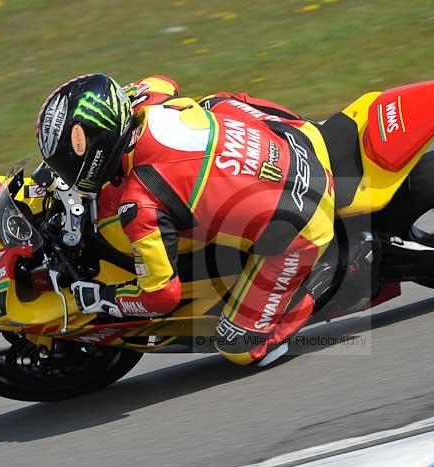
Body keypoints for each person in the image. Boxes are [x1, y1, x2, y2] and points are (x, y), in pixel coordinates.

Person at [36, 73, 334, 366]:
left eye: (65, 161)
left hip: (304, 218)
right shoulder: (141, 101)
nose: (64, 171)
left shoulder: (140, 203)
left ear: (96, 151)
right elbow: (162, 82)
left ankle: (326, 278)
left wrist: (104, 297)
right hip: (293, 136)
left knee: (238, 345)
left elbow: (160, 295)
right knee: (214, 103)